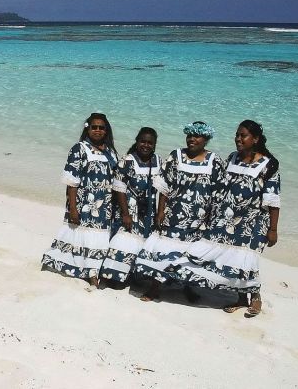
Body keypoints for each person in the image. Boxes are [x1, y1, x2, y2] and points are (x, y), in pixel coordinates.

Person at [181, 120, 281, 317]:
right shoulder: (232, 158)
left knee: (247, 259)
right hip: (228, 220)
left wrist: (273, 229)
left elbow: (273, 200)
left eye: (243, 135)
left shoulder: (267, 165)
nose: (238, 139)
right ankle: (241, 299)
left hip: (253, 222)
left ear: (255, 139)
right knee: (232, 259)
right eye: (237, 135)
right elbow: (220, 189)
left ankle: (256, 298)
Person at [134, 121, 225, 302]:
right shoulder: (176, 156)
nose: (192, 139)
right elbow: (164, 187)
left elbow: (218, 194)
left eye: (197, 136)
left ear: (206, 139)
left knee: (192, 254)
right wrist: (161, 212)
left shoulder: (215, 161)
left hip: (199, 219)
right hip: (173, 215)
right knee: (165, 250)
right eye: (190, 135)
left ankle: (188, 288)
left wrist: (211, 219)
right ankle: (155, 288)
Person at [41, 113, 119, 290]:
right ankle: (86, 273)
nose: (98, 130)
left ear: (107, 130)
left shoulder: (111, 152)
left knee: (98, 240)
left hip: (104, 207)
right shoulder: (79, 149)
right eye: (94, 127)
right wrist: (73, 210)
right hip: (84, 205)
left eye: (101, 127)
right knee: (81, 237)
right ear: (88, 128)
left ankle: (93, 272)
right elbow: (71, 183)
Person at [100, 127, 162, 284]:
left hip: (148, 211)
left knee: (142, 242)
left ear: (154, 145)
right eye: (142, 141)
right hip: (129, 209)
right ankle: (113, 277)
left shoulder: (158, 161)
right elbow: (119, 189)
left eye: (150, 143)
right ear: (137, 141)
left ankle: (131, 276)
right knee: (124, 241)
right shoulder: (127, 160)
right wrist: (125, 214)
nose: (146, 145)